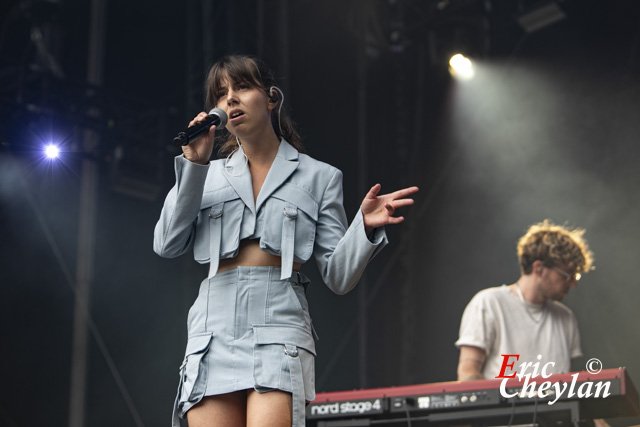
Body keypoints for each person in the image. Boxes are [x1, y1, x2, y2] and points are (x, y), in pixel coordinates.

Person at [153, 54, 419, 427]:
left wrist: (364, 227)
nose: (230, 99)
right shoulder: (205, 174)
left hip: (279, 324)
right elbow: (166, 243)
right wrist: (194, 166)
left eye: (242, 87)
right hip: (213, 326)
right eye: (221, 93)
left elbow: (339, 277)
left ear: (272, 97)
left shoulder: (319, 177)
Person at [455, 219, 594, 381]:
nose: (573, 284)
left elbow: (567, 387)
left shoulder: (566, 317)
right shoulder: (489, 303)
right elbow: (467, 372)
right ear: (539, 268)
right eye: (568, 276)